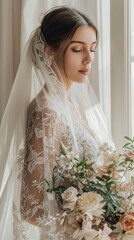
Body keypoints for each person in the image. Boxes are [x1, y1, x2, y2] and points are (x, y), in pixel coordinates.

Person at [0, 6, 114, 240]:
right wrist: (88, 219)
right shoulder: (46, 112)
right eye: (77, 49)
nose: (89, 58)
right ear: (49, 50)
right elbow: (30, 207)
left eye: (92, 49)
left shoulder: (69, 106)